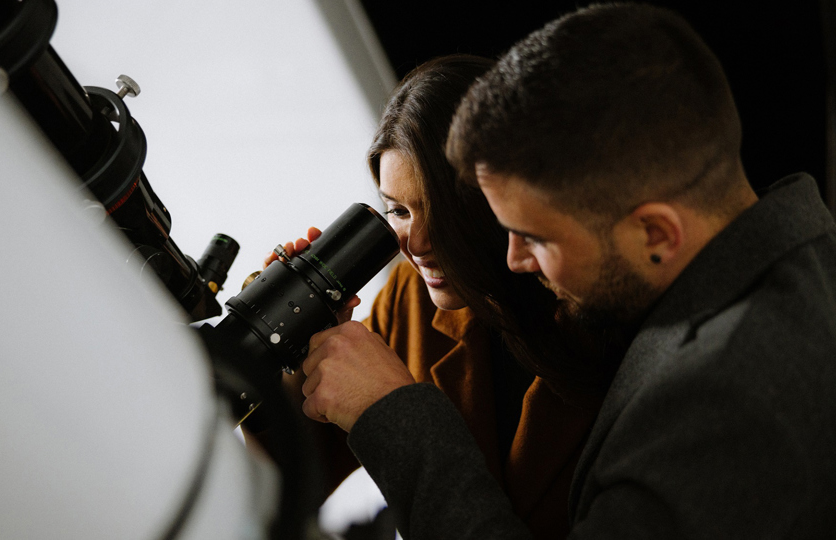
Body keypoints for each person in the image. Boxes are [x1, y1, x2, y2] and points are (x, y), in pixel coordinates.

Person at [300, 3, 836, 539]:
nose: (514, 258)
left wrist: (396, 418)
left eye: (536, 237)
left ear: (655, 234)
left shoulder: (726, 399)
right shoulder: (781, 267)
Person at [264, 54, 615, 539]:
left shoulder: (608, 324)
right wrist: (293, 351)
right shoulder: (408, 302)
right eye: (399, 211)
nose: (418, 243)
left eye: (441, 208)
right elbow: (293, 484)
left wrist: (396, 413)